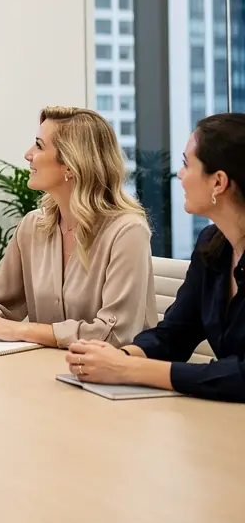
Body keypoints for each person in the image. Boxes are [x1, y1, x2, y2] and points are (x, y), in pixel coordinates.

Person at [0, 107, 155, 348]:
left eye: (39, 146)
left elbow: (115, 334)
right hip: (47, 371)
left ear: (71, 166)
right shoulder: (34, 225)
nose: (28, 154)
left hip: (113, 379)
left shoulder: (127, 232)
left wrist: (23, 330)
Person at [66, 112, 245, 400]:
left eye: (187, 164)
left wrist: (129, 369)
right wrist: (116, 357)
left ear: (218, 182)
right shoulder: (212, 246)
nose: (181, 175)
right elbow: (173, 336)